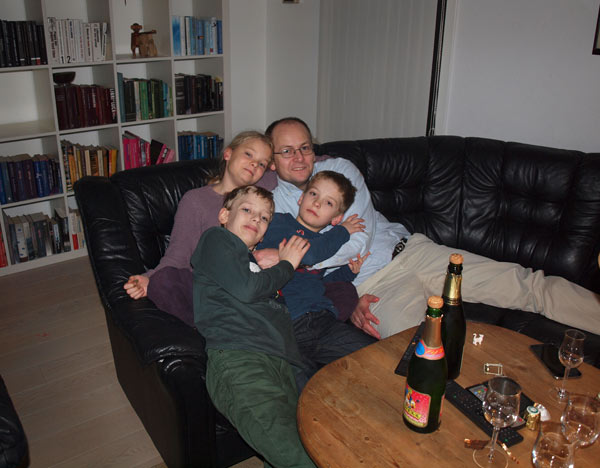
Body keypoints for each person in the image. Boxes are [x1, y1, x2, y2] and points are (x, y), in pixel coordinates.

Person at [259, 117, 600, 339]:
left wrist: (293, 258)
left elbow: (357, 241)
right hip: (373, 287)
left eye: (305, 147)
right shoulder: (271, 207)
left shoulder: (339, 170)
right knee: (422, 351)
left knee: (523, 284)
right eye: (286, 151)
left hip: (413, 252)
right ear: (272, 160)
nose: (299, 158)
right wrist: (345, 303)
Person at [191, 185, 315, 468]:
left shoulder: (255, 266)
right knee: (298, 457)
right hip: (240, 361)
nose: (256, 219)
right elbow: (247, 290)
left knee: (299, 448)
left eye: (264, 217)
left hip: (282, 365)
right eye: (247, 210)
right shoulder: (216, 239)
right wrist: (287, 265)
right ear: (224, 215)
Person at [122, 130, 274, 323]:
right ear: (228, 153)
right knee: (164, 281)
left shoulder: (265, 190)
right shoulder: (196, 200)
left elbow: (296, 168)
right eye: (249, 154)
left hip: (249, 281)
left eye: (262, 164)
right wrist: (150, 278)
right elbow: (179, 254)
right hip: (209, 287)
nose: (254, 164)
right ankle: (210, 324)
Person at [259, 171, 372, 376]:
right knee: (303, 383)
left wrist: (347, 273)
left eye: (328, 203)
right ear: (301, 198)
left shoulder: (324, 249)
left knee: (375, 358)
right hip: (286, 324)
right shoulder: (278, 223)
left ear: (335, 218)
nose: (317, 203)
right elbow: (308, 254)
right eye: (313, 194)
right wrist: (343, 231)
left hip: (322, 321)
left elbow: (318, 281)